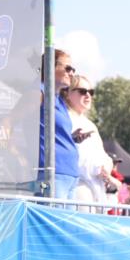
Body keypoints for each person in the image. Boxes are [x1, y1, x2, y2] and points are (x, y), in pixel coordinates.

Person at [62, 75, 118, 205]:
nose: (88, 95)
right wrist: (97, 168)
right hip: (78, 187)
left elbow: (103, 156)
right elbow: (70, 156)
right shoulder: (65, 120)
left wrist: (106, 166)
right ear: (67, 93)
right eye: (82, 91)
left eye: (91, 92)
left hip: (95, 189)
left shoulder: (90, 125)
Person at [37, 49, 79, 199]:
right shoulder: (39, 93)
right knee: (53, 222)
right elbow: (10, 122)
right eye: (68, 68)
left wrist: (72, 138)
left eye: (73, 69)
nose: (72, 73)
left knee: (65, 223)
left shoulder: (59, 99)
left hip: (70, 174)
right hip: (53, 173)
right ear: (50, 66)